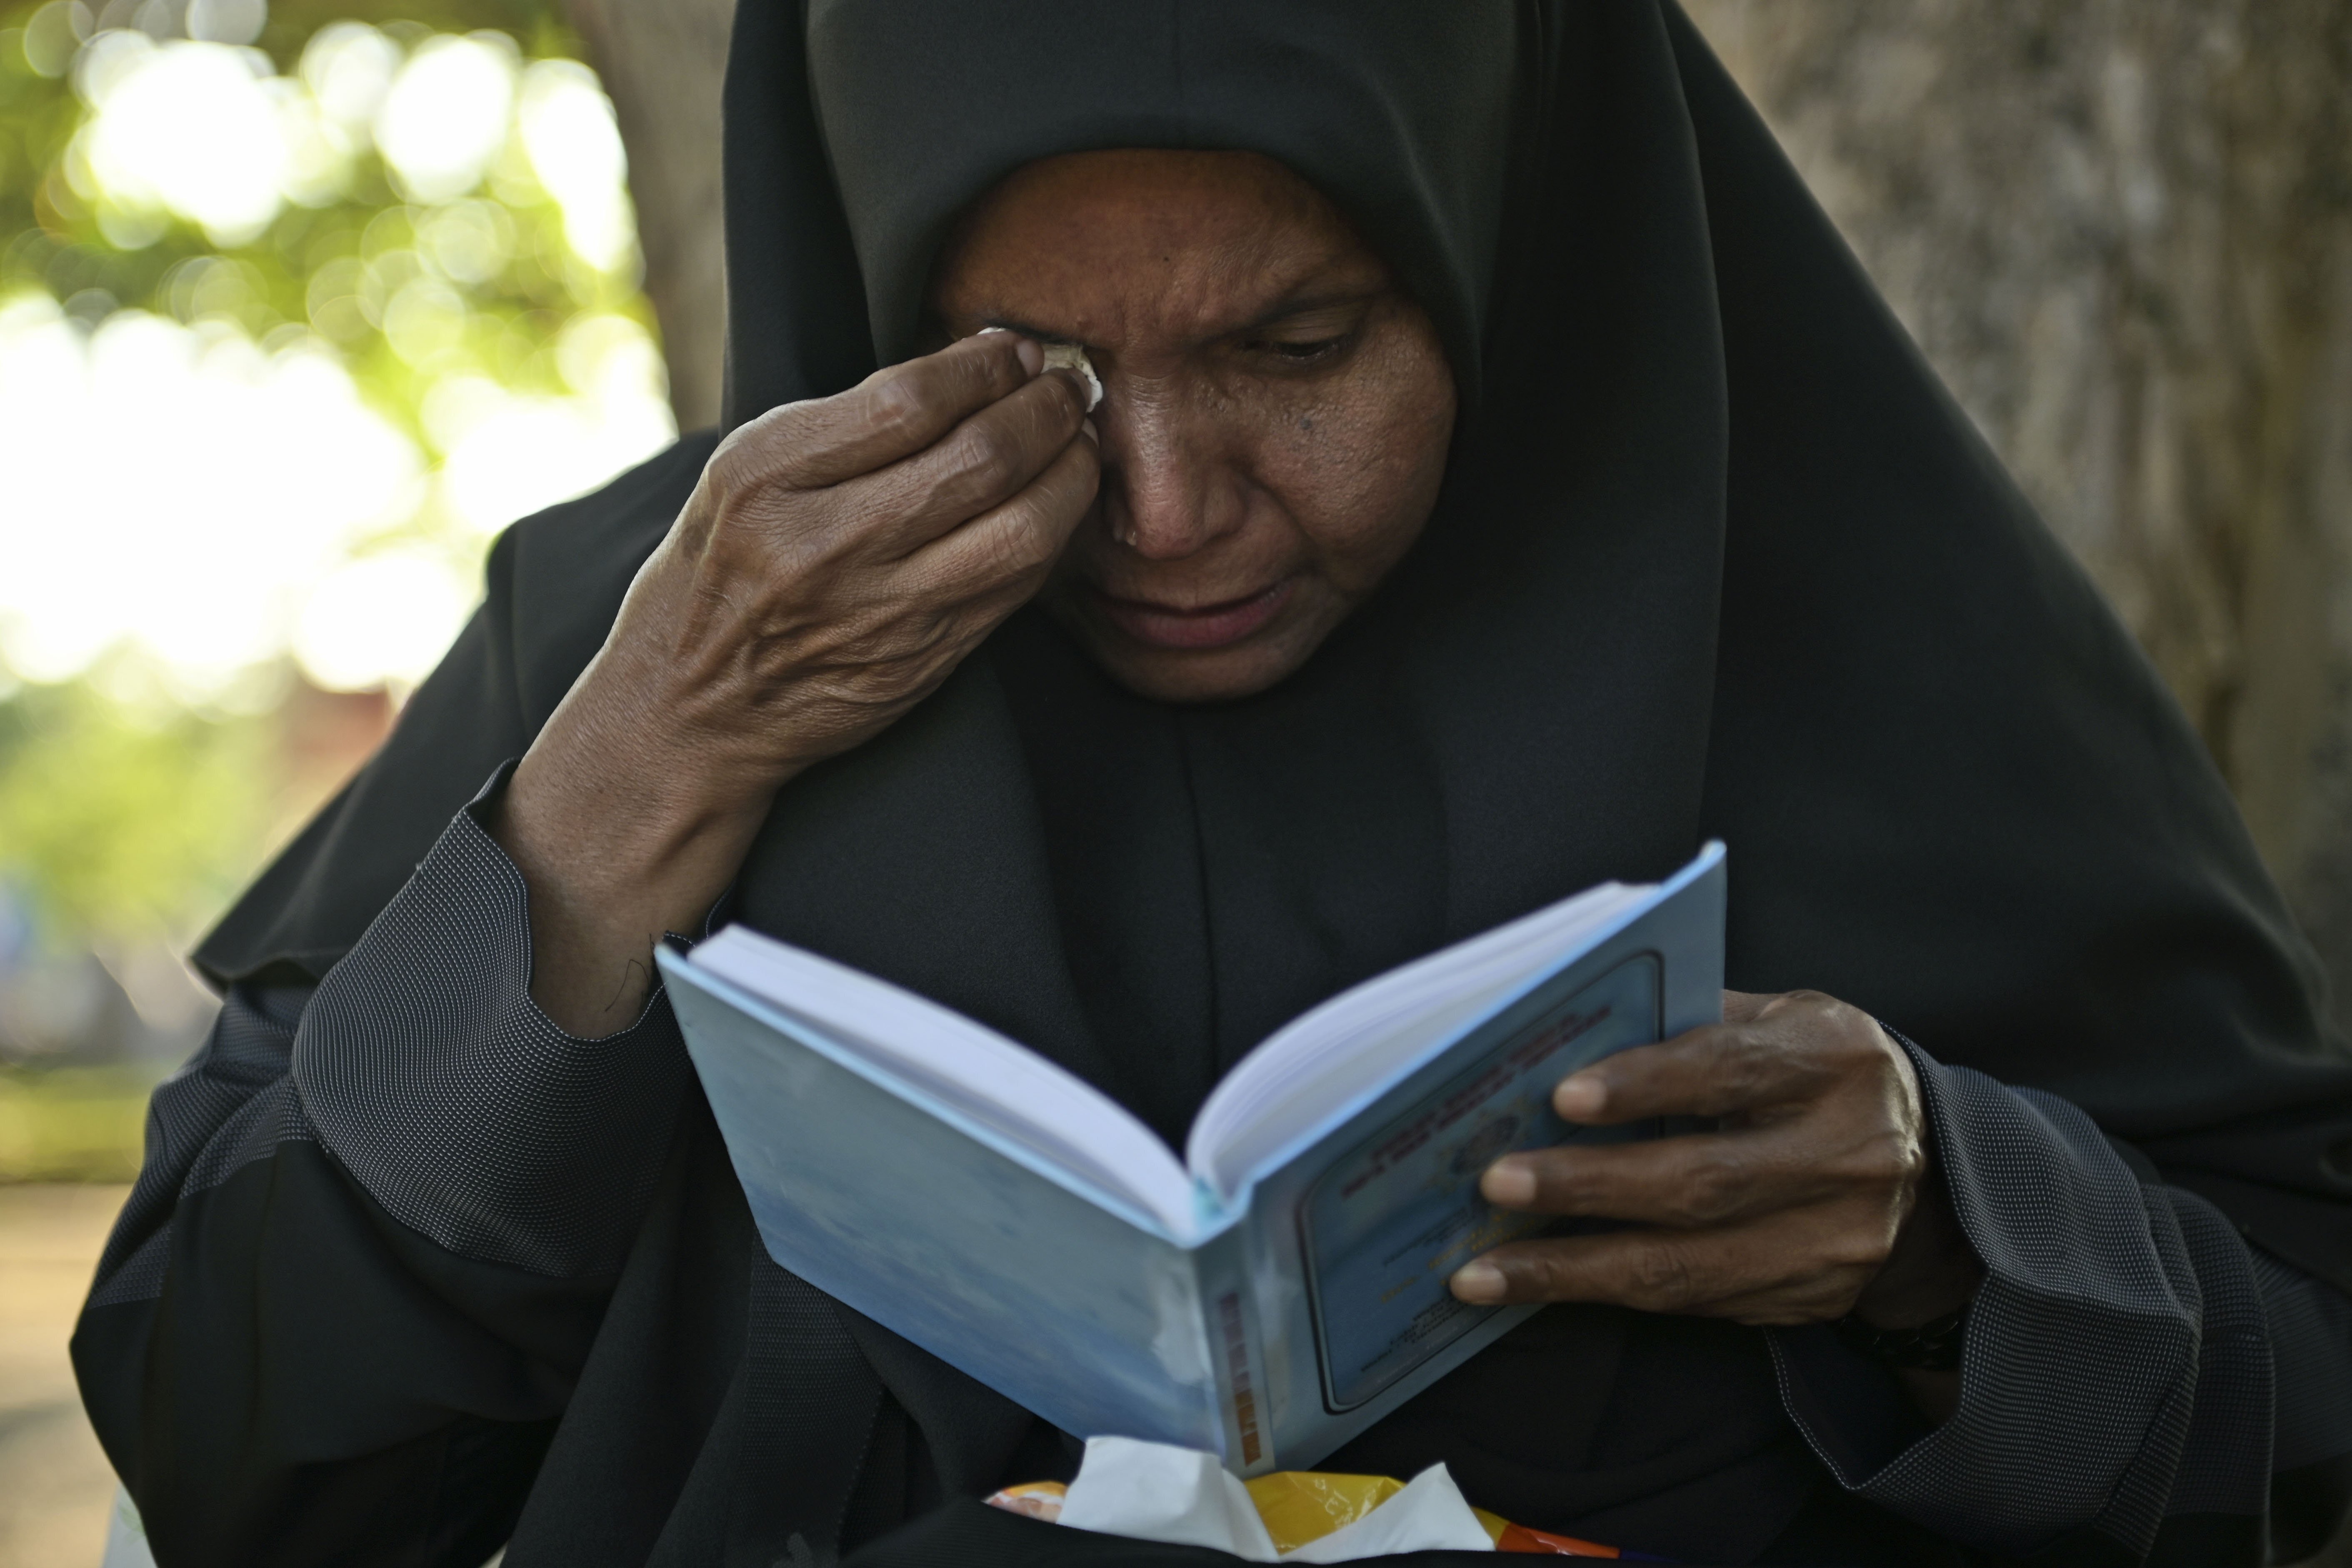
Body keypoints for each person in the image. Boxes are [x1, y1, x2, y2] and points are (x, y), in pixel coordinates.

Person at [72, 4, 2352, 1565]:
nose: (1164, 510)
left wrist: (1960, 1237)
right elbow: (236, 1465)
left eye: (1297, 346)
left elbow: (2308, 1379)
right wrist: (612, 805)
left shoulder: (1871, 644)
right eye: (1034, 372)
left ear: (1510, 240)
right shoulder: (660, 644)